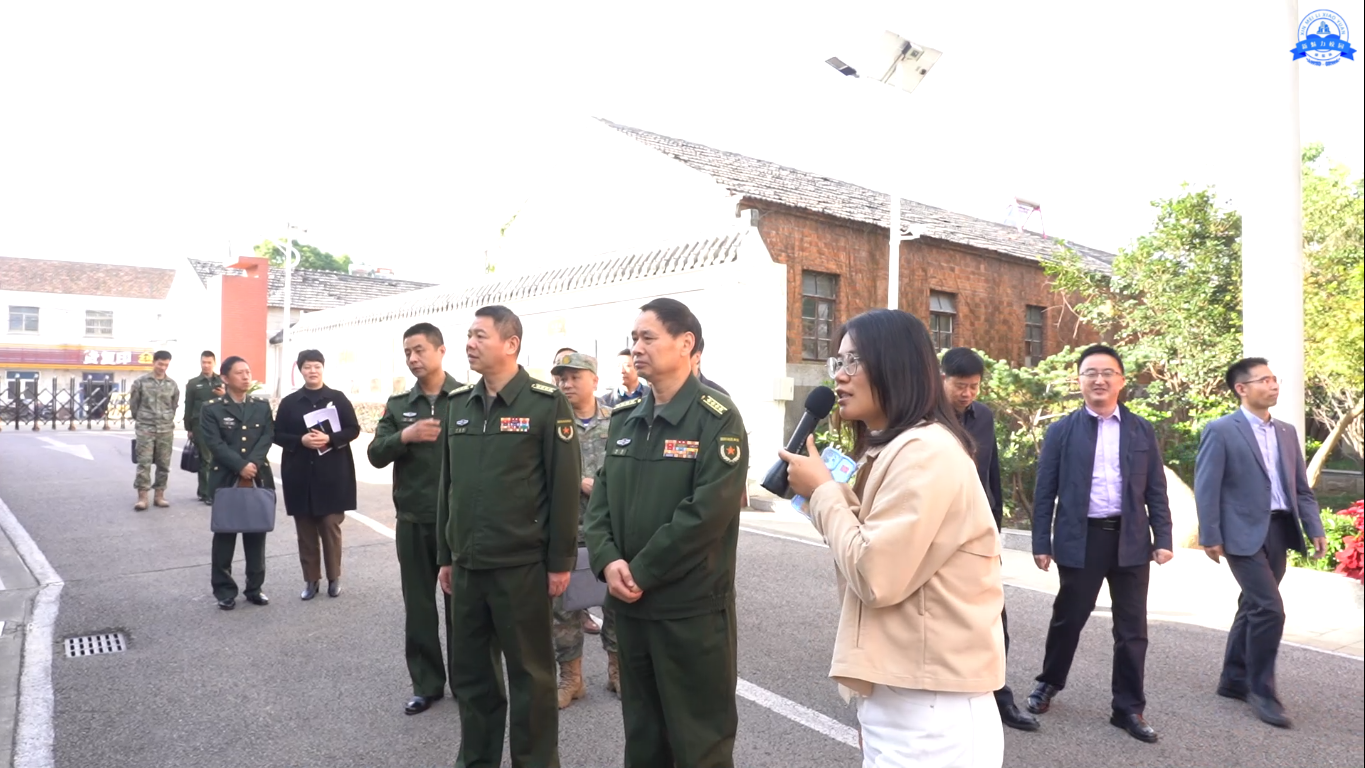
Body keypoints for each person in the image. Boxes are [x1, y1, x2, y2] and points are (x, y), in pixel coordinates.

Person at [781, 310, 1005, 768]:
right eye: (837, 362)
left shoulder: (926, 452)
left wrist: (823, 492)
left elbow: (876, 574)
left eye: (853, 361)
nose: (840, 376)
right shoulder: (896, 448)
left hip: (931, 709)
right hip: (907, 693)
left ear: (895, 366)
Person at [585, 297, 749, 768]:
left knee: (700, 744)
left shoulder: (717, 418)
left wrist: (641, 570)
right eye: (634, 339)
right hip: (631, 610)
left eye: (648, 337)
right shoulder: (626, 418)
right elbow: (600, 504)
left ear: (685, 343)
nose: (636, 347)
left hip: (689, 612)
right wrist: (607, 561)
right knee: (643, 739)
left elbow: (707, 514)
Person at [437, 305, 580, 768]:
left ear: (511, 344)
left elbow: (564, 487)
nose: (469, 344)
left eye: (480, 335)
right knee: (473, 678)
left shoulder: (544, 403)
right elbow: (448, 487)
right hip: (467, 566)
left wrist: (560, 561)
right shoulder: (458, 403)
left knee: (531, 678)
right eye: (469, 335)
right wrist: (445, 555)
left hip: (521, 566)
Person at [1028, 344, 1173, 744]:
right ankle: (1049, 681)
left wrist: (1162, 537)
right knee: (1068, 618)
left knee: (1132, 629)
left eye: (1107, 372)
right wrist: (1041, 542)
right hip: (1082, 538)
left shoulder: (1141, 429)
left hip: (1131, 539)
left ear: (1121, 381)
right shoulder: (1062, 431)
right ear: (1079, 381)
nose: (1099, 379)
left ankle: (1128, 707)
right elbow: (1045, 492)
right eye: (1090, 372)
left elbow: (1156, 488)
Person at [1194, 357, 1327, 729]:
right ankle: (1262, 691)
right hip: (1241, 533)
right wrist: (1210, 534)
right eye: (1264, 380)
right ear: (1242, 388)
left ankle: (1233, 679)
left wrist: (1314, 527)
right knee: (1270, 609)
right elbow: (1207, 485)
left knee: (1253, 604)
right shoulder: (1221, 430)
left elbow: (1299, 487)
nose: (1274, 385)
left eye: (1274, 379)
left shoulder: (1285, 431)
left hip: (1279, 529)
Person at [368, 322, 465, 716]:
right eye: (407, 352)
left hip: (457, 522)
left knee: (462, 607)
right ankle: (426, 684)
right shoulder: (398, 405)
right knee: (420, 607)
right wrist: (404, 437)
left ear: (441, 351)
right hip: (413, 519)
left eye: (420, 350)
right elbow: (375, 453)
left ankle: (466, 682)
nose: (413, 358)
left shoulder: (466, 399)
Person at [941, 346, 1039, 733]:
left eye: (974, 386)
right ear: (942, 379)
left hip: (979, 535)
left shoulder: (982, 416)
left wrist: (994, 529)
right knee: (942, 621)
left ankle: (999, 696)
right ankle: (945, 700)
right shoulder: (925, 419)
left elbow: (991, 473)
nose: (967, 393)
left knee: (994, 619)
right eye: (960, 386)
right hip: (939, 537)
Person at [549, 351, 619, 708]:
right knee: (564, 609)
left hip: (610, 529)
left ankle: (617, 671)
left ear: (594, 380)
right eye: (562, 378)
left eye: (575, 377)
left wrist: (603, 486)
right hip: (567, 528)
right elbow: (537, 470)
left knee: (616, 602)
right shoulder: (552, 422)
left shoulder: (618, 421)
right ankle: (571, 678)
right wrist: (576, 481)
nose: (567, 383)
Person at [273, 350, 359, 601]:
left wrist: (330, 438)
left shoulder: (337, 398)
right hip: (299, 474)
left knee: (330, 525)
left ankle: (334, 578)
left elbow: (353, 429)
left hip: (332, 473)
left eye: (317, 366)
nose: (312, 371)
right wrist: (300, 440)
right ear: (300, 370)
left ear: (323, 368)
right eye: (307, 367)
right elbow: (276, 434)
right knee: (305, 529)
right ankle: (311, 580)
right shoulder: (290, 402)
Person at [201, 356, 273, 610]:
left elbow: (267, 436)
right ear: (225, 377)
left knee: (256, 534)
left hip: (257, 476)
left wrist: (252, 464)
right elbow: (214, 443)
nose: (245, 376)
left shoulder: (261, 406)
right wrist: (240, 465)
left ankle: (255, 588)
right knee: (225, 535)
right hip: (226, 477)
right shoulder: (212, 409)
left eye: (248, 372)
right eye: (239, 372)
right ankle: (224, 590)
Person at [130, 350, 180, 510]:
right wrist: (143, 420)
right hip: (145, 428)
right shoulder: (140, 382)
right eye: (160, 364)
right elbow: (134, 405)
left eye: (166, 365)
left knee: (163, 464)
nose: (163, 367)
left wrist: (166, 418)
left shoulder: (172, 384)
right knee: (144, 463)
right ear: (154, 362)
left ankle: (159, 495)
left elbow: (173, 405)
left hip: (165, 429)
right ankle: (142, 497)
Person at [183, 350, 225, 505]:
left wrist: (224, 395)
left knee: (219, 458)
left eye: (209, 362)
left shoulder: (222, 381)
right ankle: (206, 493)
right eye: (203, 362)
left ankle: (212, 490)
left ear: (214, 363)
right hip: (199, 424)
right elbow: (188, 405)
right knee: (206, 459)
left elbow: (232, 401)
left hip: (219, 425)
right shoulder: (193, 383)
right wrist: (189, 428)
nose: (206, 365)